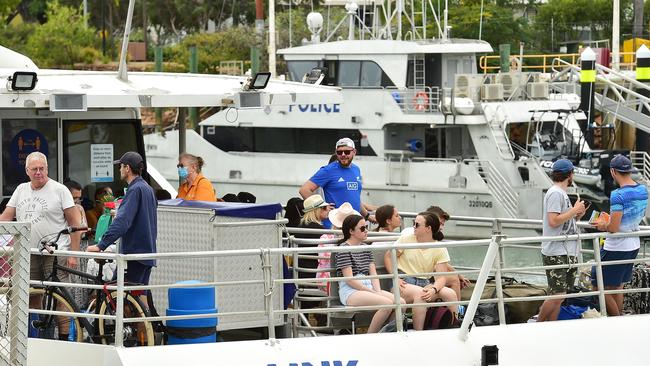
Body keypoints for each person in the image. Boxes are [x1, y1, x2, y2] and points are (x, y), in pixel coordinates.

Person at [0, 152, 81, 334]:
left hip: (55, 252)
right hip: (28, 252)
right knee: (30, 296)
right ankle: (33, 339)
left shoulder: (60, 190)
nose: (39, 172)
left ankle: (64, 338)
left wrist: (73, 254)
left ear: (47, 169)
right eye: (34, 169)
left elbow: (76, 224)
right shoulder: (21, 189)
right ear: (27, 170)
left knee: (61, 297)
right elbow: (6, 217)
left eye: (42, 168)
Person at [87, 151, 157, 287]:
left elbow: (122, 221)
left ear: (127, 168)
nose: (119, 169)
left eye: (121, 166)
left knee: (117, 294)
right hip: (147, 253)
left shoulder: (134, 190)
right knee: (139, 296)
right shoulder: (148, 189)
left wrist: (101, 245)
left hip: (134, 254)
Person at [592, 155, 648, 316]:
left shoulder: (617, 194)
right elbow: (631, 217)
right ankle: (620, 320)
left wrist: (603, 224)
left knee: (599, 285)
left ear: (613, 171)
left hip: (616, 246)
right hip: (633, 244)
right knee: (617, 286)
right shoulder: (643, 190)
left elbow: (614, 228)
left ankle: (617, 320)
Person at [335, 214, 405, 333]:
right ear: (351, 231)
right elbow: (350, 280)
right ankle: (370, 336)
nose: (366, 231)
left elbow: (373, 274)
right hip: (352, 291)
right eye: (362, 228)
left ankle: (387, 333)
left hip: (368, 286)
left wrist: (377, 291)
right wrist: (373, 292)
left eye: (366, 227)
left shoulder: (366, 247)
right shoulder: (343, 248)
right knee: (387, 304)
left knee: (401, 303)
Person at [390, 212, 458, 329]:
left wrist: (434, 289)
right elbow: (388, 256)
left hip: (425, 284)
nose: (413, 227)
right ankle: (419, 333)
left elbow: (441, 277)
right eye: (413, 224)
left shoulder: (439, 248)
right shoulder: (406, 239)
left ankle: (454, 327)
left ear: (428, 228)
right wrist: (395, 277)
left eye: (416, 224)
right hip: (404, 282)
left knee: (450, 293)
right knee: (421, 294)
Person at [537, 159, 586, 322]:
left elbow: (560, 220)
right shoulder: (556, 193)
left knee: (560, 296)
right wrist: (574, 210)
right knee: (557, 295)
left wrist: (576, 214)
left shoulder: (559, 193)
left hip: (565, 250)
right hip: (556, 251)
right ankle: (538, 325)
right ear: (570, 174)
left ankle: (551, 326)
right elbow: (553, 221)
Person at [299, 138, 370, 224]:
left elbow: (355, 198)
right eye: (339, 152)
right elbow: (304, 190)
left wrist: (367, 216)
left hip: (353, 225)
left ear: (354, 152)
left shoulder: (356, 169)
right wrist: (322, 207)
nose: (343, 154)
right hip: (334, 226)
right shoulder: (328, 170)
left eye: (347, 152)